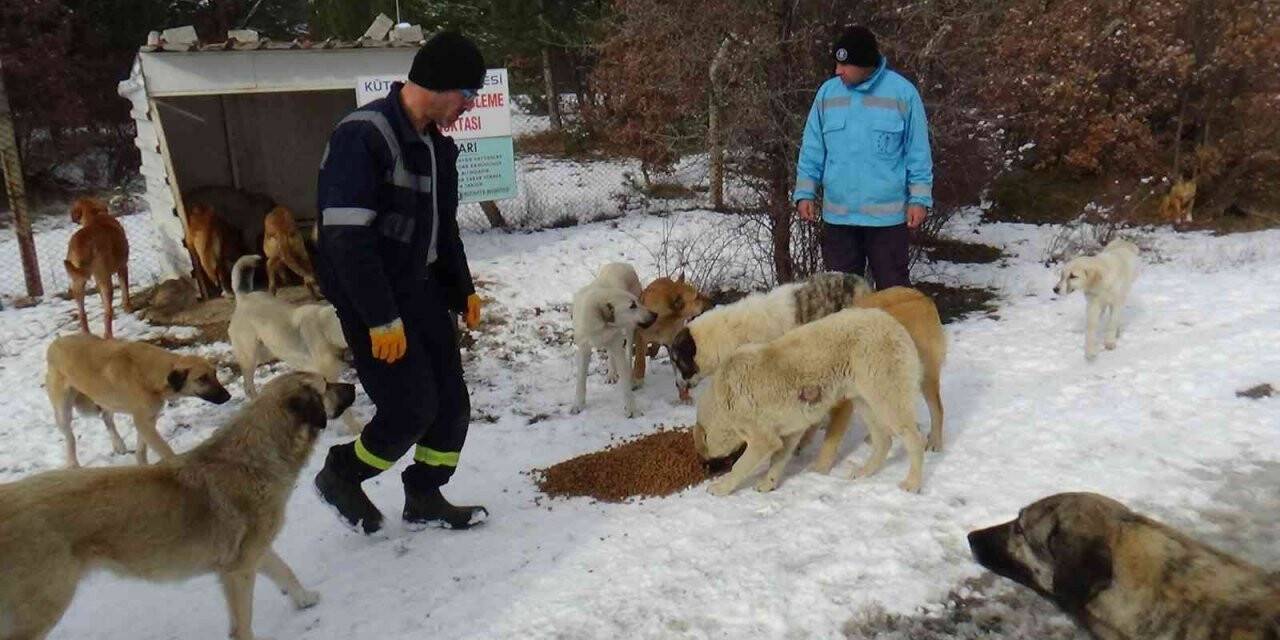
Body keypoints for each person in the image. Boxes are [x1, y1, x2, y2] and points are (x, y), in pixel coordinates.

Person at [312, 31, 487, 534]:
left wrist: (463, 288)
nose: (468, 107)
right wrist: (379, 317)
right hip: (376, 300)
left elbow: (442, 227)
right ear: (439, 83)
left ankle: (425, 494)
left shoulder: (435, 145)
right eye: (466, 95)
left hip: (423, 289)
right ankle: (342, 473)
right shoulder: (364, 135)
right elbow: (345, 240)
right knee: (410, 407)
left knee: (451, 403)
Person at [793, 26, 934, 289]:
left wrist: (919, 200)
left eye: (845, 65)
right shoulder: (827, 94)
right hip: (839, 219)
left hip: (887, 222)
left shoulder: (902, 94)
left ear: (865, 64)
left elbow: (918, 153)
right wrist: (805, 193)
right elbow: (812, 148)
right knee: (840, 299)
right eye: (836, 64)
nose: (838, 71)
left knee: (895, 296)